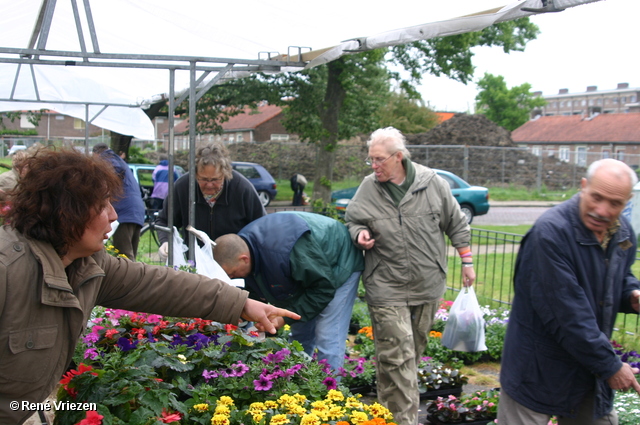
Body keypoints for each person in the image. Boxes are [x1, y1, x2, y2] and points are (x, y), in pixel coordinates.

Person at [0, 147, 299, 425]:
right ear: (67, 213)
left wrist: (242, 304)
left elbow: (160, 285)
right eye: (103, 206)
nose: (115, 216)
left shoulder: (88, 264)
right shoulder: (7, 272)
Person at [344, 126, 475, 425]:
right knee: (399, 356)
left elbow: (456, 223)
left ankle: (384, 414)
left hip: (427, 285)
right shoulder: (369, 187)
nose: (374, 166)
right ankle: (405, 421)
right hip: (385, 285)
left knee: (406, 356)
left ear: (398, 157)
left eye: (379, 159)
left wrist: (467, 262)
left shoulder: (433, 184)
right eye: (371, 160)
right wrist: (360, 233)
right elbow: (352, 219)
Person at [497, 158, 640, 425]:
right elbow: (568, 314)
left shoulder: (622, 232)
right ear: (583, 186)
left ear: (627, 201)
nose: (603, 210)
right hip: (536, 369)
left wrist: (631, 295)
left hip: (586, 368)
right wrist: (610, 366)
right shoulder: (550, 234)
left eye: (615, 203)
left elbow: (620, 275)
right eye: (596, 197)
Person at [213, 211, 364, 375]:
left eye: (233, 274)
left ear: (244, 259)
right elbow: (253, 286)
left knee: (328, 335)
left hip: (340, 261)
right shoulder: (245, 247)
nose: (232, 278)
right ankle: (301, 381)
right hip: (311, 269)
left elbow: (322, 289)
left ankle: (332, 393)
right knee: (300, 331)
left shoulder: (284, 253)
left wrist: (282, 318)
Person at [156, 143, 265, 260]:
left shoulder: (242, 188)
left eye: (215, 180)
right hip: (196, 262)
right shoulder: (183, 186)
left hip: (233, 264)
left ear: (225, 173)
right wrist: (166, 241)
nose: (209, 185)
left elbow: (261, 226)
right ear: (194, 174)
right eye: (203, 179)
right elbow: (164, 221)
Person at [92, 143, 146, 261]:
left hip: (124, 211)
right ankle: (135, 277)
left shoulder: (106, 159)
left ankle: (131, 279)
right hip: (136, 210)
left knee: (124, 256)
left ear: (95, 154)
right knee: (130, 255)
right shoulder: (119, 160)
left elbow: (115, 170)